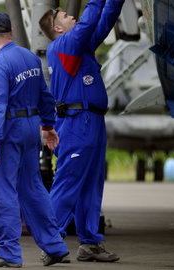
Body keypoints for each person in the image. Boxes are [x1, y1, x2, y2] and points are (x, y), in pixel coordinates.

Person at [0, 13, 69, 267]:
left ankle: (8, 253)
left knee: (0, 190)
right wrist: (48, 126)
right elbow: (45, 94)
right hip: (31, 127)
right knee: (32, 187)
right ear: (10, 32)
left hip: (9, 129)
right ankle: (54, 246)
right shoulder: (30, 57)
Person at [38, 0, 124, 262]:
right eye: (65, 15)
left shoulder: (78, 46)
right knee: (68, 182)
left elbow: (105, 20)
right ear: (57, 28)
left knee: (91, 184)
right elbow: (90, 20)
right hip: (78, 122)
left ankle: (89, 243)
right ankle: (51, 243)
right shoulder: (64, 45)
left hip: (91, 121)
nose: (72, 16)